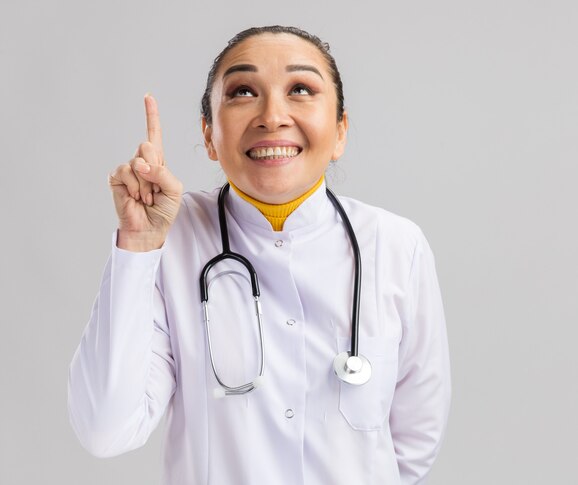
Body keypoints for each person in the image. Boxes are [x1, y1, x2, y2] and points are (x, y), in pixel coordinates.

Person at [67, 25, 451, 485]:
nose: (273, 116)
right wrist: (138, 247)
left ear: (341, 130)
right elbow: (104, 430)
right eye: (244, 91)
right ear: (209, 135)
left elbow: (414, 440)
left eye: (301, 89)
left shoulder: (395, 246)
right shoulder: (168, 237)